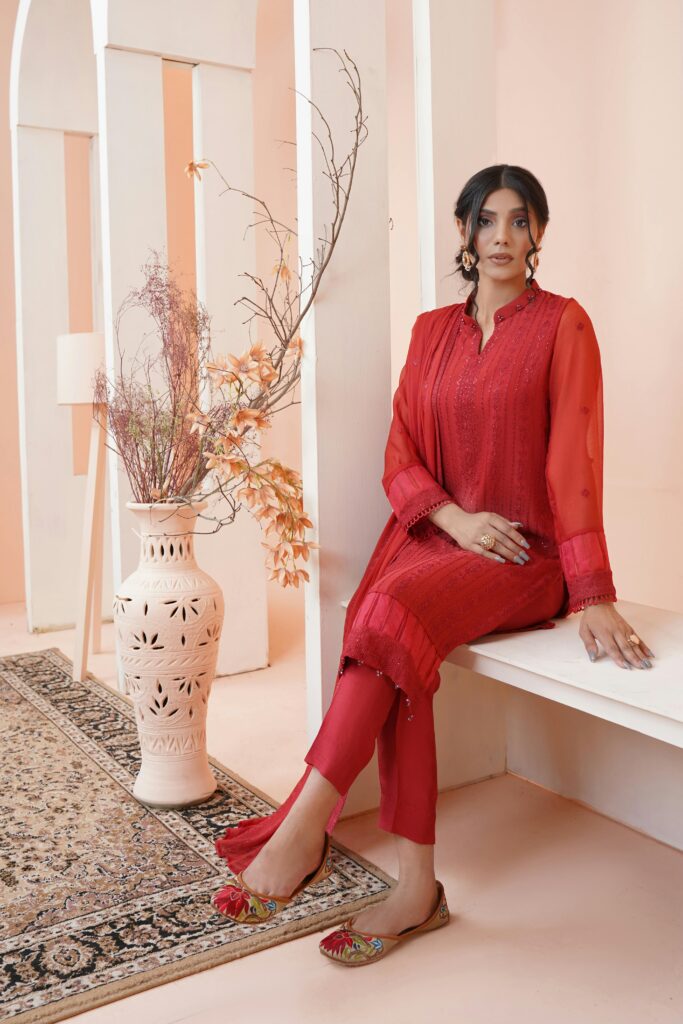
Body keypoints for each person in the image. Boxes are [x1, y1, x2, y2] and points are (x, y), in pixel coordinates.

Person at [210, 164, 655, 966]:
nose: (502, 238)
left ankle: (308, 822)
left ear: (539, 236)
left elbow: (570, 466)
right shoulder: (428, 332)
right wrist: (452, 519)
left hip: (523, 557)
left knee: (388, 616)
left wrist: (590, 590)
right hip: (435, 540)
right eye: (486, 221)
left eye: (520, 222)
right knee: (390, 628)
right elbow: (400, 453)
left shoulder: (563, 325)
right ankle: (415, 886)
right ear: (463, 233)